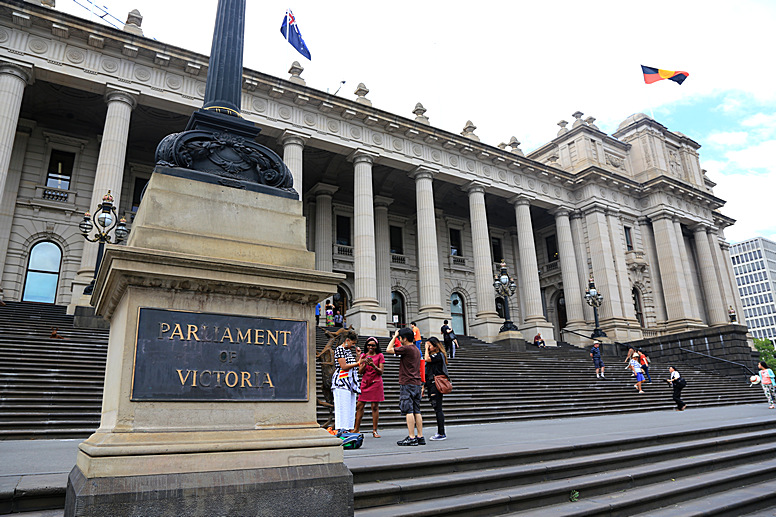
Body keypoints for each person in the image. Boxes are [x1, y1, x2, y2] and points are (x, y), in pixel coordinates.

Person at [387, 327, 424, 446]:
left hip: (407, 382)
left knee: (409, 410)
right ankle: (420, 436)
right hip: (417, 383)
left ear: (405, 338)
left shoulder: (407, 348)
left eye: (401, 338)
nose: (400, 340)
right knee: (417, 410)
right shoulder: (416, 350)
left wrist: (393, 337)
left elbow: (388, 350)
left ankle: (412, 437)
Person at [354, 336, 385, 437]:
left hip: (375, 383)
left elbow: (381, 371)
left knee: (374, 407)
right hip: (365, 383)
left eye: (373, 345)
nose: (370, 347)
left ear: (376, 346)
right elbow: (360, 371)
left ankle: (375, 430)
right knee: (359, 405)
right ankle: (356, 429)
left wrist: (373, 366)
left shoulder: (380, 355)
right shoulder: (364, 355)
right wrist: (363, 363)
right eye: (369, 345)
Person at [332, 330, 361, 431]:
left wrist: (358, 356)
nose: (353, 345)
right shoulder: (339, 349)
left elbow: (354, 364)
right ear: (347, 340)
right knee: (342, 407)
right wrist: (358, 363)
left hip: (350, 382)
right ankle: (341, 429)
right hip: (341, 382)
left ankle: (348, 429)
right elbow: (344, 366)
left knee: (350, 407)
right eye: (352, 343)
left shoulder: (348, 350)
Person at [424, 336, 449, 441]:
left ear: (435, 346)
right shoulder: (434, 356)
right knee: (436, 408)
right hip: (431, 384)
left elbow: (426, 359)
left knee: (438, 408)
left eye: (429, 345)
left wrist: (425, 349)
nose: (428, 348)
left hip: (436, 384)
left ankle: (441, 433)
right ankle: (440, 432)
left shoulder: (438, 355)